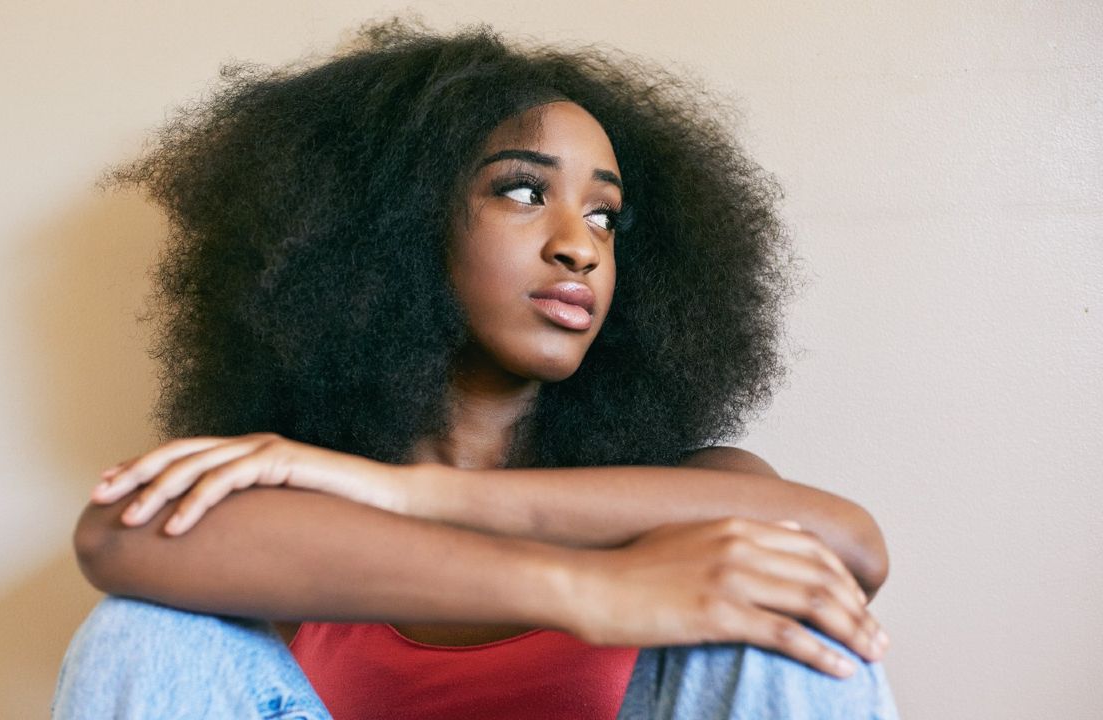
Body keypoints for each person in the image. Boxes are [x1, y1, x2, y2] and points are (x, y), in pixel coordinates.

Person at [51, 20, 898, 719]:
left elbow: (848, 542)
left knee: (770, 597)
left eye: (606, 216)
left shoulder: (684, 490)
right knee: (146, 631)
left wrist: (420, 496)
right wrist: (592, 591)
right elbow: (117, 538)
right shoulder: (296, 520)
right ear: (391, 230)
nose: (579, 245)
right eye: (524, 191)